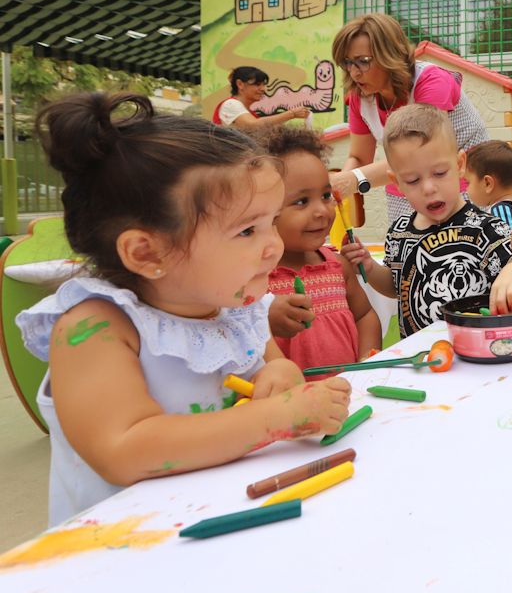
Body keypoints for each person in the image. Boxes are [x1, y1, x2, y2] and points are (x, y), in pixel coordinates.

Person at [17, 93, 351, 525]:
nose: (274, 245)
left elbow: (276, 369)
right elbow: (124, 450)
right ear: (145, 252)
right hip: (121, 552)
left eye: (270, 222)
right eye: (248, 229)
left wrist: (282, 379)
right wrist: (274, 417)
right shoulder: (97, 327)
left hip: (220, 519)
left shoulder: (236, 306)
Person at [340, 104, 512, 338]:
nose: (429, 188)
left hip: (478, 357)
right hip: (422, 359)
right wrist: (368, 266)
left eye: (439, 173)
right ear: (396, 182)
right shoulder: (398, 233)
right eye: (413, 180)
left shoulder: (486, 229)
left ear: (459, 165)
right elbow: (396, 286)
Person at [327, 13, 488, 225]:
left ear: (390, 54)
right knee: (407, 252)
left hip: (464, 181)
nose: (354, 72)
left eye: (363, 62)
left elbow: (422, 153)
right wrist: (339, 187)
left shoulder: (431, 82)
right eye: (348, 63)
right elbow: (358, 157)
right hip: (406, 187)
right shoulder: (360, 98)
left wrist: (354, 179)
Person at [255, 125, 382, 378]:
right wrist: (262, 317)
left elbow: (365, 315)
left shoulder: (338, 266)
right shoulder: (254, 281)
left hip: (348, 398)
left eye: (326, 195)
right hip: (290, 408)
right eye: (302, 201)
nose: (322, 211)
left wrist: (367, 360)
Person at [212, 65, 310, 129]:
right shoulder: (231, 104)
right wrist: (291, 114)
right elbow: (253, 125)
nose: (263, 89)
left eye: (264, 84)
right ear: (240, 84)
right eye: (257, 84)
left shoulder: (248, 111)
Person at [464, 140, 512, 227]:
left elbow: (507, 240)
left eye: (468, 182)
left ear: (487, 183)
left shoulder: (500, 211)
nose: (466, 189)